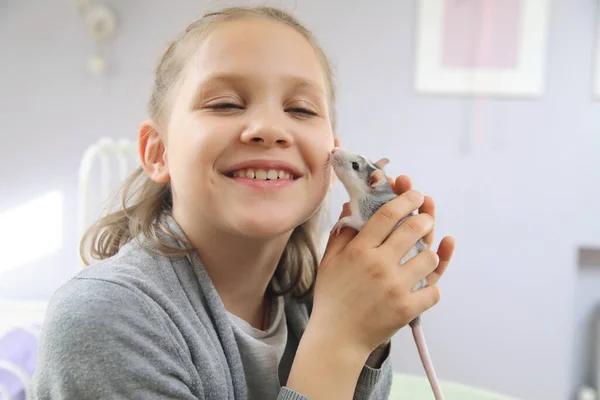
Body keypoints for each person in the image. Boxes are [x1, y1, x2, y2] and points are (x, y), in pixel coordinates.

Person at [29, 6, 455, 400]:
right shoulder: (102, 320)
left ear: (330, 161)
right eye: (226, 103)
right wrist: (339, 341)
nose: (270, 129)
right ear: (158, 153)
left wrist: (369, 327)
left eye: (301, 110)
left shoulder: (310, 303)